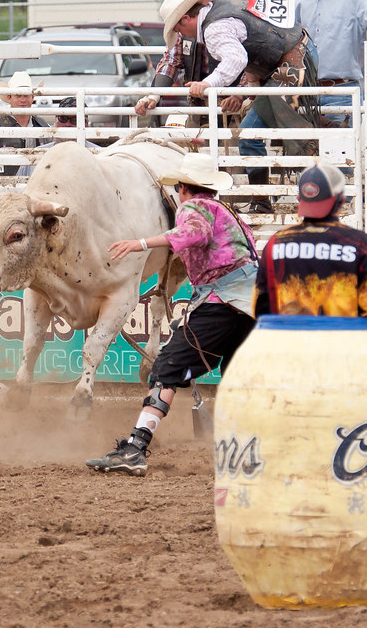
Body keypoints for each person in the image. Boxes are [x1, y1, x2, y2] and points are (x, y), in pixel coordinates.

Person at [86, 153, 257, 476]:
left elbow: (194, 234)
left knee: (167, 368)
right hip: (251, 304)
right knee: (239, 376)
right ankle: (253, 449)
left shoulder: (193, 209)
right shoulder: (226, 211)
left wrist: (141, 243)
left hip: (222, 301)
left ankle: (135, 447)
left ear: (183, 188)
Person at [161, 0, 321, 215]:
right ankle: (272, 195)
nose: (180, 32)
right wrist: (247, 89)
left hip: (293, 60)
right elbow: (256, 46)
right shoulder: (223, 9)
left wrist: (208, 84)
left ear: (187, 17)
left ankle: (278, 195)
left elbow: (237, 58)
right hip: (293, 53)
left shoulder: (214, 29)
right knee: (258, 130)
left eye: (178, 26)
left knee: (255, 131)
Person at [253, 161, 367, 317]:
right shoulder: (358, 243)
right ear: (341, 201)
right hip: (342, 338)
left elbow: (259, 306)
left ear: (300, 199)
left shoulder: (276, 243)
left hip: (288, 338)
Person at [135, 0, 238, 119]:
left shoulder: (230, 19)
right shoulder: (187, 23)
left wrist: (240, 95)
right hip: (199, 104)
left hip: (230, 102)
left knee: (233, 140)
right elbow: (171, 61)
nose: (193, 1)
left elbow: (249, 58)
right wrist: (154, 95)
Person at [0, 71, 50, 176]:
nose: (23, 100)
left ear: (32, 98)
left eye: (26, 95)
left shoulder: (41, 124)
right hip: (7, 183)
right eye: (18, 95)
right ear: (9, 98)